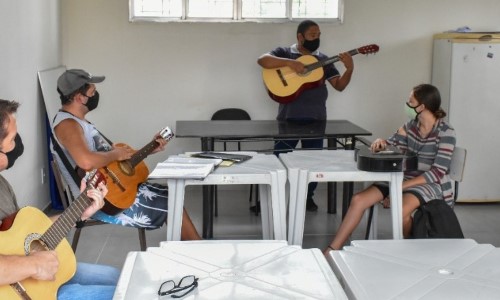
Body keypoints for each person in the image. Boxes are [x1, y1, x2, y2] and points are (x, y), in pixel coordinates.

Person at [52, 69, 201, 240]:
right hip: (96, 203)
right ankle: (198, 250)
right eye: (92, 92)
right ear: (80, 97)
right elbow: (86, 162)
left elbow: (114, 162)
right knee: (171, 203)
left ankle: (193, 248)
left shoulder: (80, 122)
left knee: (172, 195)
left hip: (109, 190)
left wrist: (150, 149)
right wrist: (115, 154)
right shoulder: (67, 125)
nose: (96, 95)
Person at [0, 99, 119, 300]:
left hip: (29, 276)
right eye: (11, 140)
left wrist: (79, 211)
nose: (15, 145)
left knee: (117, 276)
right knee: (124, 293)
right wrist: (34, 265)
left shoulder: (2, 184)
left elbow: (26, 236)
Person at [324, 84, 456, 253]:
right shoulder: (410, 126)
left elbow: (437, 173)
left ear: (421, 107)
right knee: (358, 200)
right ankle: (331, 250)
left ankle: (410, 248)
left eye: (410, 102)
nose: (407, 105)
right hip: (401, 179)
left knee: (401, 210)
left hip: (430, 184)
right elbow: (392, 144)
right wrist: (381, 142)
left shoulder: (446, 132)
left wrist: (397, 189)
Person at [257, 19, 354, 211]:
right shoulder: (284, 52)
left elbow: (339, 86)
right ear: (300, 37)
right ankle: (269, 199)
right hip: (288, 118)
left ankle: (307, 197)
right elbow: (262, 60)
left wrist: (349, 68)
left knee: (313, 163)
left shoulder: (323, 60)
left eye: (318, 35)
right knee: (279, 160)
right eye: (312, 35)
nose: (316, 38)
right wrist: (291, 64)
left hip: (316, 119)